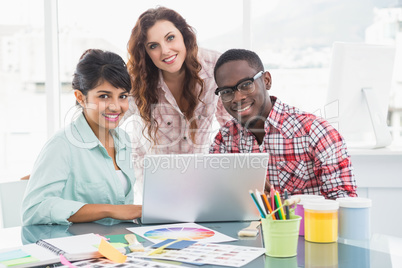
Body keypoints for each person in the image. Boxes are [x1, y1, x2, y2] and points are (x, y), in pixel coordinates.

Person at [210, 48, 357, 199]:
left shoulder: (317, 132)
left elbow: (344, 203)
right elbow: (215, 199)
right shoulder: (224, 139)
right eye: (227, 92)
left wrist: (282, 204)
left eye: (246, 85)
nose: (237, 97)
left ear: (266, 80)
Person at [22, 49, 142, 225]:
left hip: (119, 244)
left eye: (122, 96)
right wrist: (110, 210)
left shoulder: (123, 139)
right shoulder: (62, 144)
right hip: (78, 246)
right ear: (80, 97)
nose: (116, 107)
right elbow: (34, 209)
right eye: (104, 96)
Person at [125, 6, 230, 204]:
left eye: (170, 38)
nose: (165, 51)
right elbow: (108, 119)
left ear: (184, 36)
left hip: (199, 172)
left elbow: (231, 126)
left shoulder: (214, 65)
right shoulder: (137, 78)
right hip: (153, 175)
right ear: (145, 52)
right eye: (153, 46)